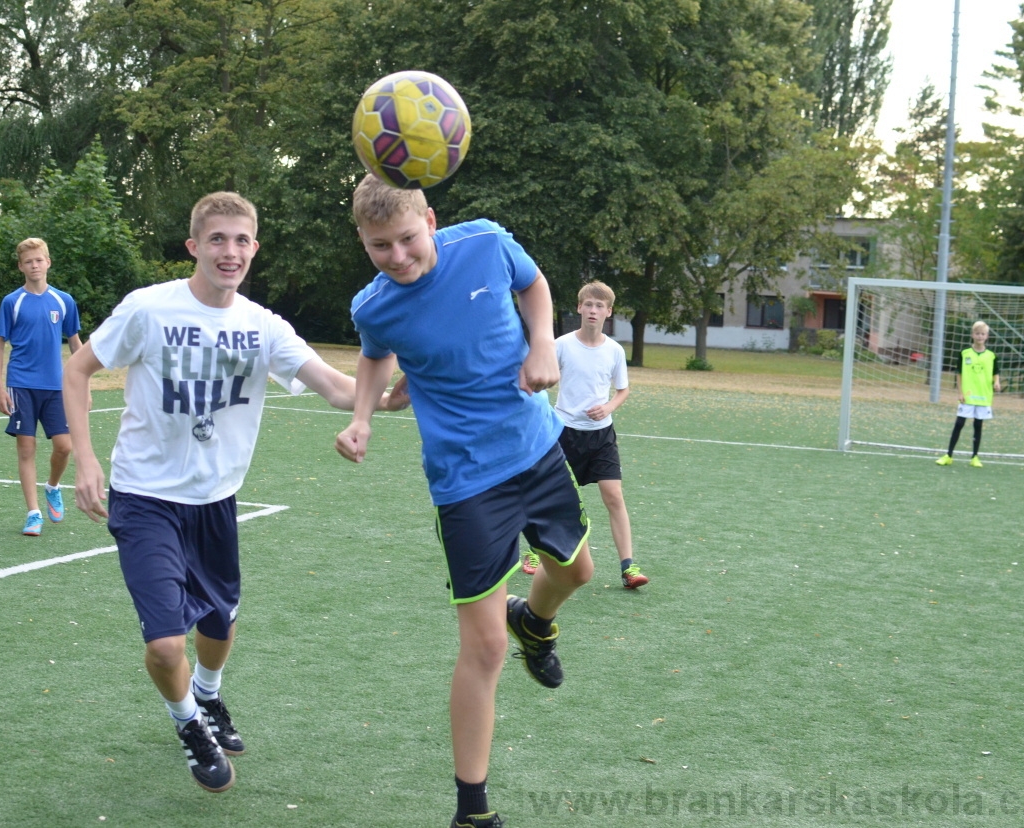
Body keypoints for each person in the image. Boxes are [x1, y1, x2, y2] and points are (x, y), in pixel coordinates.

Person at [62, 192, 405, 794]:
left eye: (242, 240)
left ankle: (210, 695)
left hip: (217, 501)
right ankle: (189, 724)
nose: (231, 251)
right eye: (217, 239)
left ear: (254, 249)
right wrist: (85, 459)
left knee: (218, 628)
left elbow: (332, 387)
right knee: (168, 642)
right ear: (195, 246)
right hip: (144, 498)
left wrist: (395, 393)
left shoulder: (262, 326)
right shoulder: (148, 309)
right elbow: (77, 370)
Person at [335, 174, 594, 828]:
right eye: (378, 247)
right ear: (364, 245)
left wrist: (541, 344)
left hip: (534, 448)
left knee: (577, 571)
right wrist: (364, 415)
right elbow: (376, 358)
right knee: (483, 648)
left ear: (432, 218)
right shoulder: (374, 306)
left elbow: (534, 286)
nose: (396, 256)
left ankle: (534, 620)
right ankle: (471, 810)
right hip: (465, 481)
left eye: (406, 238)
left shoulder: (484, 242)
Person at [523, 281, 648, 590]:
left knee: (614, 497)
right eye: (588, 305)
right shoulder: (561, 344)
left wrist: (608, 407)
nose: (593, 310)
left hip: (601, 437)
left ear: (609, 311)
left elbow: (623, 390)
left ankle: (629, 567)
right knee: (547, 498)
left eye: (599, 306)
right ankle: (535, 552)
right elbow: (540, 378)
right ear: (579, 308)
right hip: (563, 433)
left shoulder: (615, 351)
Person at [0, 237, 84, 537]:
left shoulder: (63, 301)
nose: (34, 265)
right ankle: (33, 514)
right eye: (28, 261)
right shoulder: (12, 302)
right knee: (26, 447)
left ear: (48, 262)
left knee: (65, 446)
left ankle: (53, 487)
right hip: (21, 384)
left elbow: (75, 344)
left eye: (39, 260)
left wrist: (84, 385)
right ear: (21, 266)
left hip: (56, 387)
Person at [936, 320, 1001, 468]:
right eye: (977, 333)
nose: (980, 336)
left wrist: (997, 382)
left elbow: (995, 372)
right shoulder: (965, 353)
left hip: (984, 396)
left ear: (987, 336)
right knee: (959, 424)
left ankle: (975, 457)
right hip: (968, 395)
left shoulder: (991, 355)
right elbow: (958, 374)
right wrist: (960, 392)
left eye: (982, 334)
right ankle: (948, 455)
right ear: (972, 335)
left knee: (978, 425)